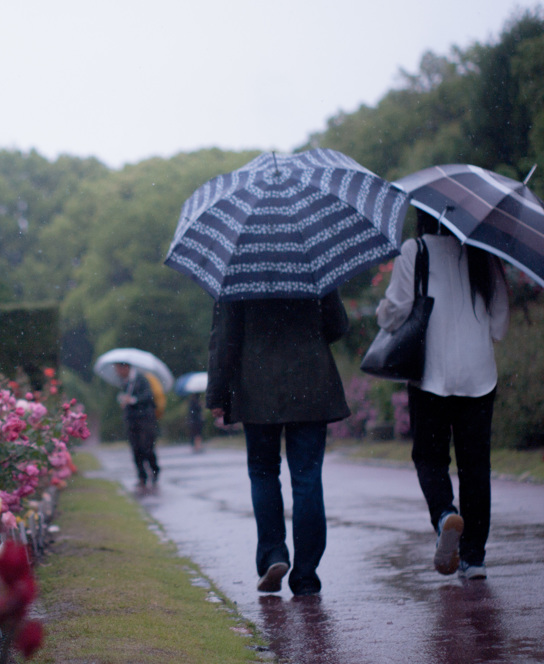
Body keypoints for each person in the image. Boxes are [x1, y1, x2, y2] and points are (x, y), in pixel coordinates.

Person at [376, 211, 509, 579]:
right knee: (476, 466)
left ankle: (445, 514)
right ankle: (474, 558)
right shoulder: (483, 253)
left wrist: (382, 313)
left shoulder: (414, 250)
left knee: (430, 457)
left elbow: (396, 313)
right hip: (478, 375)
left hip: (430, 374)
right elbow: (499, 326)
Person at [206, 292, 350, 596]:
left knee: (263, 471)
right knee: (307, 477)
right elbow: (337, 326)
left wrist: (217, 392)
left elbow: (226, 337)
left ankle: (273, 553)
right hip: (310, 382)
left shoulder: (241, 269)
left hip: (257, 386)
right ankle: (307, 575)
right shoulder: (312, 259)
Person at [114, 362, 161, 494]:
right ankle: (142, 476)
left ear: (126, 367)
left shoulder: (141, 379)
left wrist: (133, 400)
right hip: (131, 420)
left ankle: (154, 470)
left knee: (147, 446)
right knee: (135, 448)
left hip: (145, 419)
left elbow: (148, 396)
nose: (117, 372)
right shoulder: (124, 382)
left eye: (118, 369)